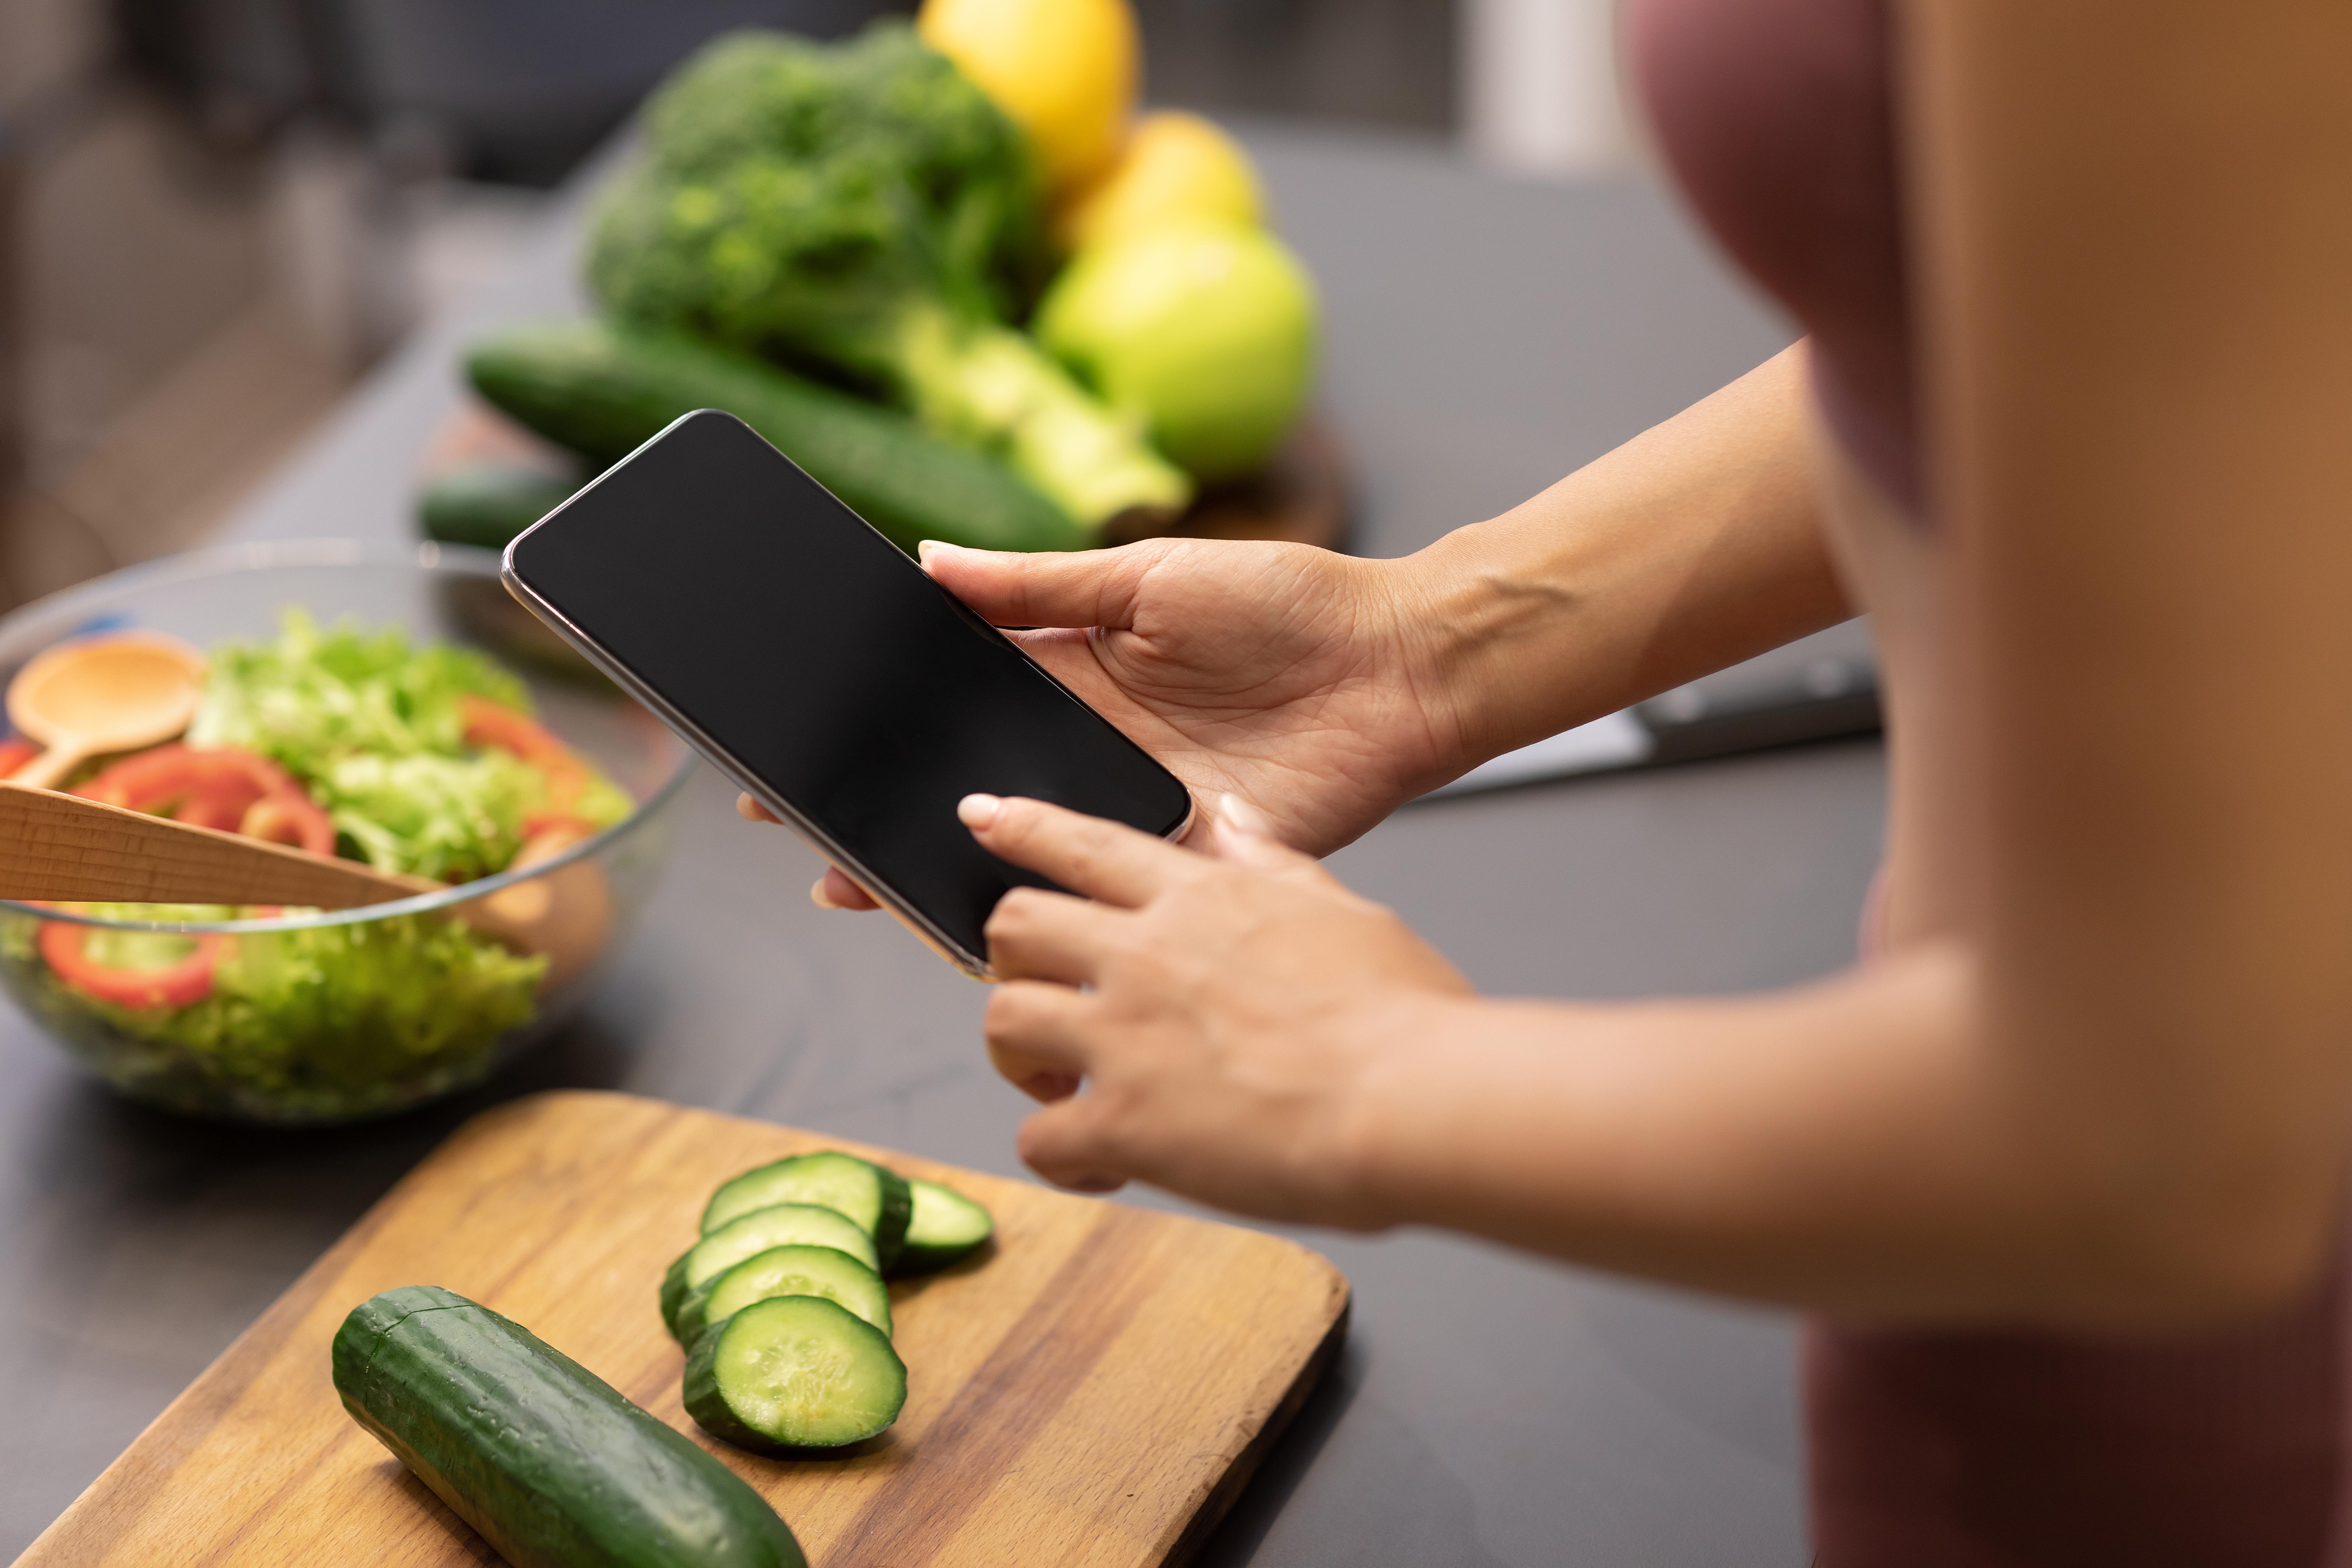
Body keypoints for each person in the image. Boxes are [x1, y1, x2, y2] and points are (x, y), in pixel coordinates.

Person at [749, 0, 2352, 1558]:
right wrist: (1418, 650)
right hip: (1985, 1233)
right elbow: (2091, 300)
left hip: (2183, 1320)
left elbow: (2173, 1148)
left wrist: (1374, 1075)